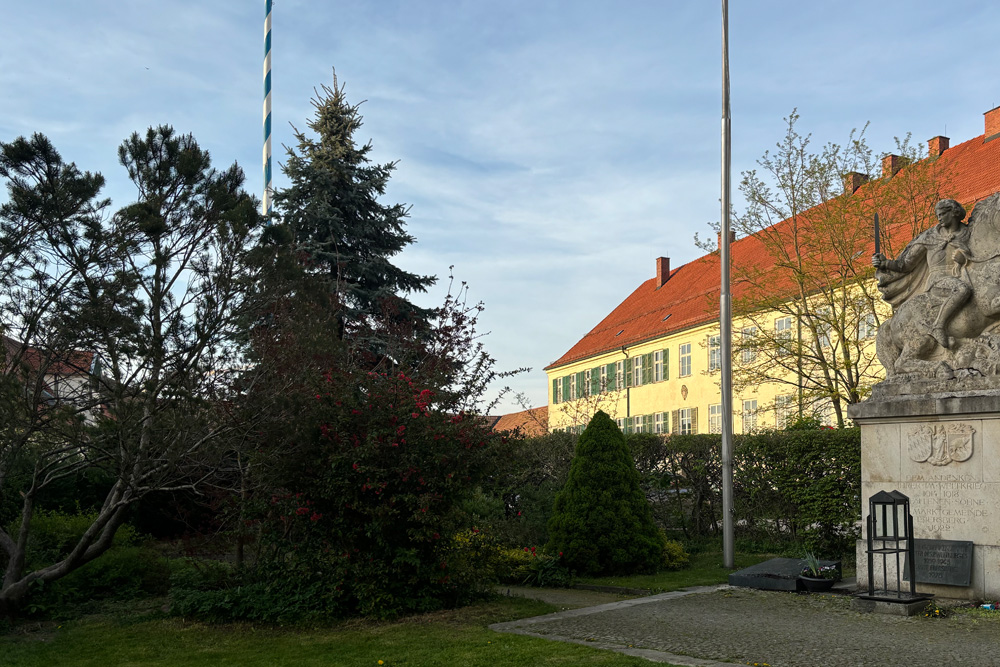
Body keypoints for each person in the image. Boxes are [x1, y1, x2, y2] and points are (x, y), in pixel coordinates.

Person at [873, 199, 972, 349]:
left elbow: (979, 256)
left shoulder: (967, 233)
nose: (939, 218)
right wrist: (885, 263)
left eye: (943, 214)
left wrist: (965, 258)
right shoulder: (930, 237)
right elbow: (904, 264)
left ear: (954, 213)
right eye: (938, 215)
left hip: (964, 276)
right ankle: (938, 327)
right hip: (939, 280)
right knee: (961, 290)